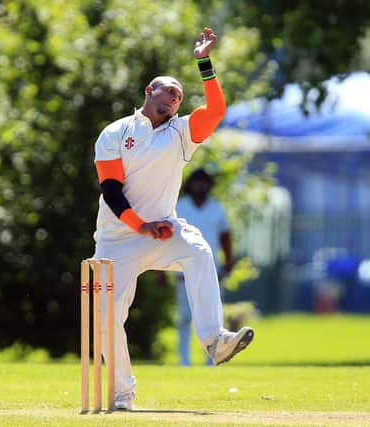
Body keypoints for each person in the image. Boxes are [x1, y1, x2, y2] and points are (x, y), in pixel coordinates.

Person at [91, 27, 253, 410]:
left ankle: (214, 341)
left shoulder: (182, 134)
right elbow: (111, 190)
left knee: (198, 252)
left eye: (180, 95)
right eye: (170, 90)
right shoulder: (116, 132)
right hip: (117, 237)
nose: (176, 96)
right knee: (106, 319)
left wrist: (204, 63)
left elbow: (214, 111)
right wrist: (138, 225)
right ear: (150, 90)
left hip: (163, 229)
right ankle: (122, 393)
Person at [176, 168, 234, 366]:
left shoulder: (217, 208)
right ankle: (184, 361)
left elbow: (225, 236)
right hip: (183, 271)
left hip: (212, 272)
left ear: (209, 185)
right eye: (196, 182)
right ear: (190, 185)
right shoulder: (180, 207)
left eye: (204, 182)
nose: (200, 186)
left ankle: (212, 360)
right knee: (184, 317)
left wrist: (228, 261)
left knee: (213, 317)